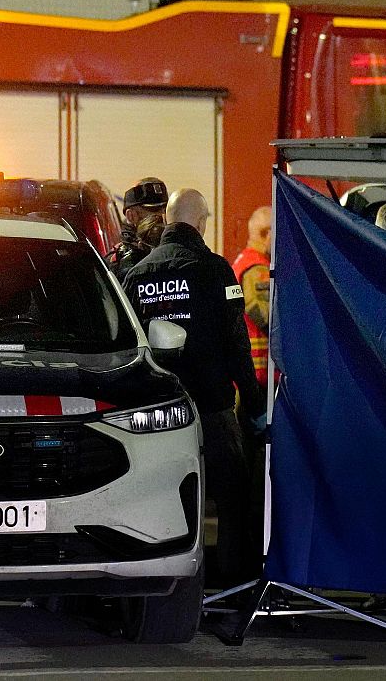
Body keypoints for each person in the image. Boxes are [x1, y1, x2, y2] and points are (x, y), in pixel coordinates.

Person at [122, 189, 266, 587]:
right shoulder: (216, 270)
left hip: (159, 412)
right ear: (201, 221)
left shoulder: (137, 275)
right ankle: (233, 583)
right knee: (232, 496)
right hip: (212, 406)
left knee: (167, 498)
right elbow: (237, 343)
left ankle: (172, 583)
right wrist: (253, 401)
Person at [231, 206, 272, 389]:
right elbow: (266, 318)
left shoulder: (243, 262)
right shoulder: (258, 269)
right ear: (267, 233)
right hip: (258, 372)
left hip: (249, 371)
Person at [114, 177, 168, 271]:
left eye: (166, 209)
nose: (162, 215)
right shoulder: (119, 262)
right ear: (131, 216)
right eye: (154, 210)